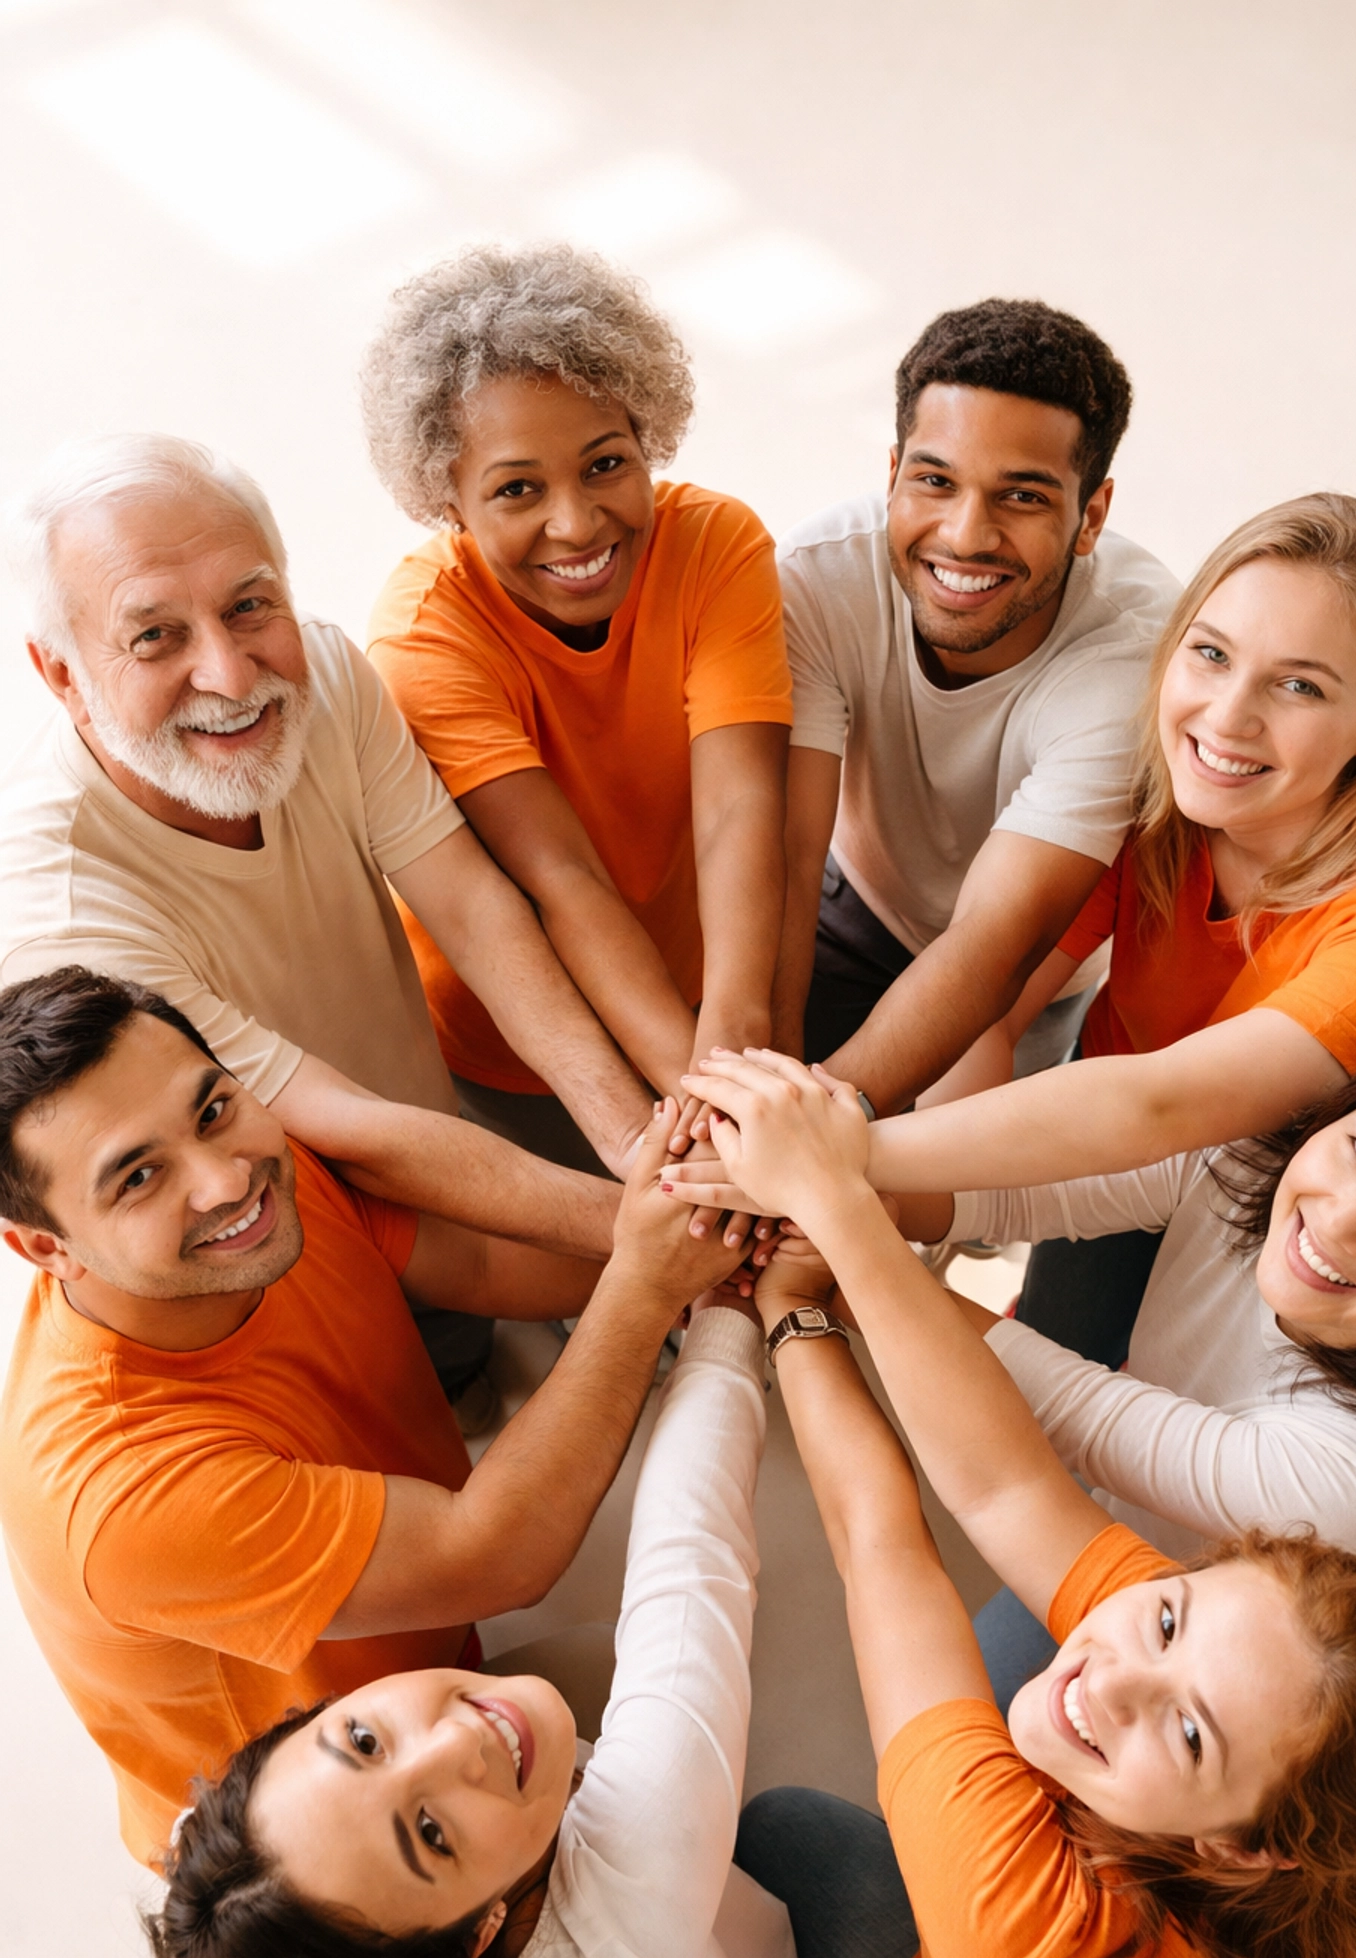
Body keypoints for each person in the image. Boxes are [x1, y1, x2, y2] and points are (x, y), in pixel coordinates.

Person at [683, 1046, 1356, 1958]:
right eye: (1164, 1620)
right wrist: (841, 1244)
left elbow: (885, 1548)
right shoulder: (1295, 1776)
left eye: (1191, 1732)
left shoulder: (1024, 1914)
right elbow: (1004, 1483)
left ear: (1245, 1845)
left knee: (779, 1821)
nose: (1103, 1676)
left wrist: (793, 1312)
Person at [674, 494, 1356, 1371]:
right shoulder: (1165, 793)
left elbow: (1160, 1104)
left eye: (1300, 686)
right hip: (1124, 1123)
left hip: (1313, 1192)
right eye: (1210, 654)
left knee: (1172, 1409)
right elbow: (996, 1005)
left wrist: (827, 1159)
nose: (1226, 718)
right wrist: (896, 1204)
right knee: (1060, 1349)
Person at [0, 968, 744, 1863]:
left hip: (420, 1682)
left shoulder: (253, 1178)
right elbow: (497, 1554)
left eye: (211, 1110)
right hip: (329, 1865)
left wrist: (707, 1242)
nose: (224, 1181)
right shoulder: (117, 1495)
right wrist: (649, 1279)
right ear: (46, 1248)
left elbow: (469, 1267)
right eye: (139, 1177)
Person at [1, 432, 657, 1405]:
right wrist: (666, 1228)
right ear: (60, 674)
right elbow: (347, 1130)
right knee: (434, 1439)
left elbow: (475, 910)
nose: (229, 673)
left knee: (490, 1359)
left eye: (249, 604)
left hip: (440, 1172)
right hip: (279, 1263)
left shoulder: (325, 676)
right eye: (156, 637)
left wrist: (638, 1143)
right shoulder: (63, 913)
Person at [144, 1292, 809, 1958]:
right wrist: (727, 1315)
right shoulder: (636, 1884)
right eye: (428, 1833)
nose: (463, 1738)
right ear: (476, 1934)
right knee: (802, 1835)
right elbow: (689, 1556)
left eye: (361, 1740)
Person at [362, 242, 793, 1175]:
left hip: (701, 999)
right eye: (517, 489)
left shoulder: (715, 545)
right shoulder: (424, 637)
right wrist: (710, 1091)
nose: (577, 523)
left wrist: (727, 1055)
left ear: (648, 438)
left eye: (605, 464)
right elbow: (561, 876)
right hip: (511, 1059)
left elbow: (738, 809)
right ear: (448, 499)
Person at [900, 1022, 1356, 1583]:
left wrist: (846, 1236)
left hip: (1212, 1679)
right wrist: (860, 1193)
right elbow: (1013, 1195)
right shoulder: (1252, 1162)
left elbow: (1080, 1413)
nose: (1343, 1222)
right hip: (1122, 1534)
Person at [773, 295, 1178, 1104]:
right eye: (934, 480)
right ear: (892, 475)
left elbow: (995, 943)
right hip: (849, 909)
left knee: (944, 1204)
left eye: (1021, 496)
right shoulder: (821, 576)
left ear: (1091, 515)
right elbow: (783, 856)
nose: (965, 535)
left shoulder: (1137, 656)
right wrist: (762, 1091)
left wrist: (805, 1129)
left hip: (1030, 970)